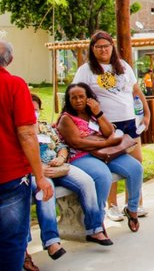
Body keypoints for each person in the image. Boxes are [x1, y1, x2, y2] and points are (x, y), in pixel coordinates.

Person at [73, 30, 150, 221]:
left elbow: (136, 90)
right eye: (98, 47)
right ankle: (112, 205)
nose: (103, 50)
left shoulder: (122, 66)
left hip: (129, 121)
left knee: (136, 161)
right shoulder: (86, 70)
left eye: (106, 46)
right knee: (110, 162)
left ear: (112, 47)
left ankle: (134, 203)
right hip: (105, 124)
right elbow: (76, 93)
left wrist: (147, 114)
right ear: (92, 49)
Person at [28, 94, 112, 263]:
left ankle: (94, 228)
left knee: (86, 182)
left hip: (59, 166)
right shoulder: (20, 131)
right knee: (45, 193)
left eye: (35, 110)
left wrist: (61, 157)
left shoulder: (44, 127)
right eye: (29, 109)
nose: (33, 113)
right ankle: (52, 241)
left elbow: (61, 145)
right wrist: (39, 169)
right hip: (38, 172)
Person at [57, 82, 144, 232]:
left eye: (81, 97)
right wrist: (105, 142)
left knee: (135, 168)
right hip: (82, 156)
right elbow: (77, 143)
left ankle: (132, 208)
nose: (78, 100)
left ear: (88, 98)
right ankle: (99, 219)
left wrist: (98, 113)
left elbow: (109, 131)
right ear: (68, 100)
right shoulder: (67, 119)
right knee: (103, 175)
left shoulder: (93, 114)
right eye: (73, 98)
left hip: (106, 152)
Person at [0, 40, 53, 270]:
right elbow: (27, 134)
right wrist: (40, 176)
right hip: (10, 175)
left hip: (10, 174)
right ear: (10, 60)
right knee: (12, 241)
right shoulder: (13, 85)